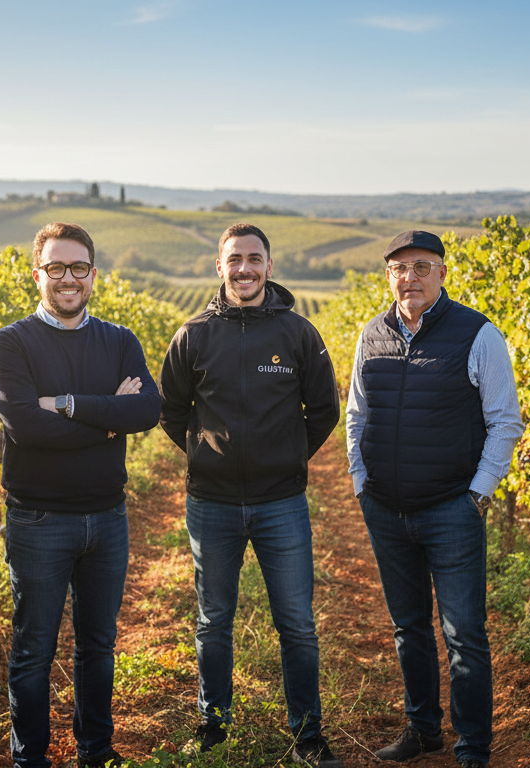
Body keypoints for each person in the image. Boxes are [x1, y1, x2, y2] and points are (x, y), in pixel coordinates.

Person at [159, 223, 344, 767]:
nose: (244, 268)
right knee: (214, 621)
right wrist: (203, 455)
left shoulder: (298, 334)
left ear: (269, 265)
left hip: (280, 502)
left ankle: (308, 733)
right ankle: (213, 724)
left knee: (297, 623)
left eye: (254, 259)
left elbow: (324, 411)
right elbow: (172, 412)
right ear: (219, 267)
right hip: (211, 504)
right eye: (234, 259)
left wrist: (286, 457)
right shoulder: (192, 335)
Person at [345, 230, 524, 768]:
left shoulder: (478, 335)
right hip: (385, 508)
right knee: (409, 627)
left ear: (443, 273)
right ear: (389, 276)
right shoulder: (370, 335)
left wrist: (477, 494)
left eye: (422, 267)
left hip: (451, 509)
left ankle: (472, 748)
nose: (411, 277)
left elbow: (504, 422)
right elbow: (355, 416)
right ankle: (422, 730)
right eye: (400, 268)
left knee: (464, 633)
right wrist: (360, 482)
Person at [0, 222, 161, 768]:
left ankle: (95, 753)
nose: (68, 278)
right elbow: (26, 428)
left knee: (98, 648)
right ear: (37, 274)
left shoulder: (119, 340)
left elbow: (147, 411)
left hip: (107, 518)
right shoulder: (10, 343)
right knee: (34, 651)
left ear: (92, 274)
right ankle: (30, 759)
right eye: (57, 268)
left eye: (78, 268)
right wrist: (108, 416)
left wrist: (62, 403)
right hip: (39, 522)